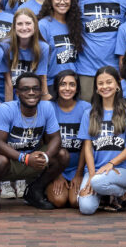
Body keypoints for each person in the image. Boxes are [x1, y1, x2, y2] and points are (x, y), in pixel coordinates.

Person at [0, 72, 67, 210]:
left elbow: (56, 138)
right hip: (11, 160)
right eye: (25, 89)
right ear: (17, 93)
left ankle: (34, 191)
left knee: (62, 155)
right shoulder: (7, 109)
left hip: (33, 157)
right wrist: (26, 158)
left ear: (41, 92)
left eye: (35, 89)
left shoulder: (47, 107)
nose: (31, 92)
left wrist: (45, 157)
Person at [77, 66, 126, 214]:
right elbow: (87, 147)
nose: (105, 86)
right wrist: (92, 175)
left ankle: (122, 194)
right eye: (100, 83)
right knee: (86, 208)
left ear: (118, 85)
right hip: (95, 170)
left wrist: (111, 164)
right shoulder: (89, 114)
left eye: (109, 82)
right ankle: (108, 195)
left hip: (121, 169)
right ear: (96, 88)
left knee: (98, 183)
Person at [48, 70, 91, 209]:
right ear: (56, 87)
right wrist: (57, 175)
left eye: (72, 84)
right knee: (60, 201)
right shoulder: (49, 107)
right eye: (63, 84)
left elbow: (86, 144)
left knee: (75, 202)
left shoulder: (86, 108)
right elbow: (45, 144)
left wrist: (78, 174)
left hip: (77, 167)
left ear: (77, 88)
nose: (67, 88)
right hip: (55, 167)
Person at [38, 0, 85, 86]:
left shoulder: (75, 24)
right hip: (51, 84)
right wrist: (44, 90)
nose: (62, 2)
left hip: (72, 84)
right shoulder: (43, 25)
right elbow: (39, 61)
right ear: (50, 1)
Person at [2, 9, 51, 101]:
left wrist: (44, 101)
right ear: (14, 27)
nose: (24, 28)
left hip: (31, 93)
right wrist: (9, 107)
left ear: (35, 26)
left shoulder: (43, 48)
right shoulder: (5, 47)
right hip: (9, 93)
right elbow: (8, 82)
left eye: (28, 23)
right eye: (20, 24)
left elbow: (41, 78)